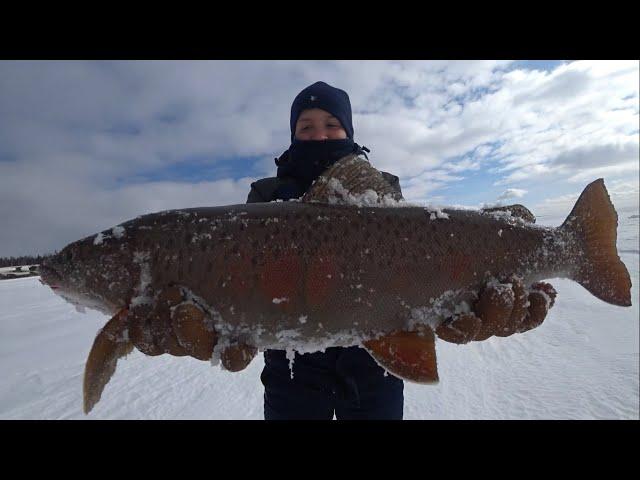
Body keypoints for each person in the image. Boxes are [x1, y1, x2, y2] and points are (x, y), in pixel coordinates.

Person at [245, 81, 558, 420]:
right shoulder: (265, 196)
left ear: (348, 131)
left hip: (376, 364)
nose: (320, 136)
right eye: (306, 127)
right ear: (293, 135)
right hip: (290, 371)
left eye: (331, 125)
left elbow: (414, 256)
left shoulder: (383, 187)